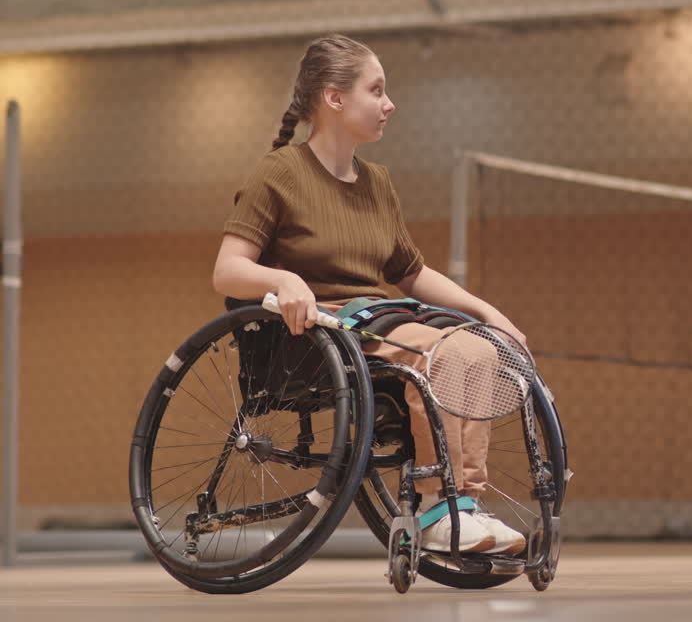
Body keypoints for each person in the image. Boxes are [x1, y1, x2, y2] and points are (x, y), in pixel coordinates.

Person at [212, 34, 526, 555]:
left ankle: (462, 503)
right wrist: (284, 280)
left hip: (376, 317)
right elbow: (227, 271)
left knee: (479, 347)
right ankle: (438, 508)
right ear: (335, 99)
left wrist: (486, 310)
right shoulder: (280, 173)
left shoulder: (378, 182)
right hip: (319, 330)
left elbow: (410, 271)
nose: (389, 104)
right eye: (376, 90)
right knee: (442, 354)